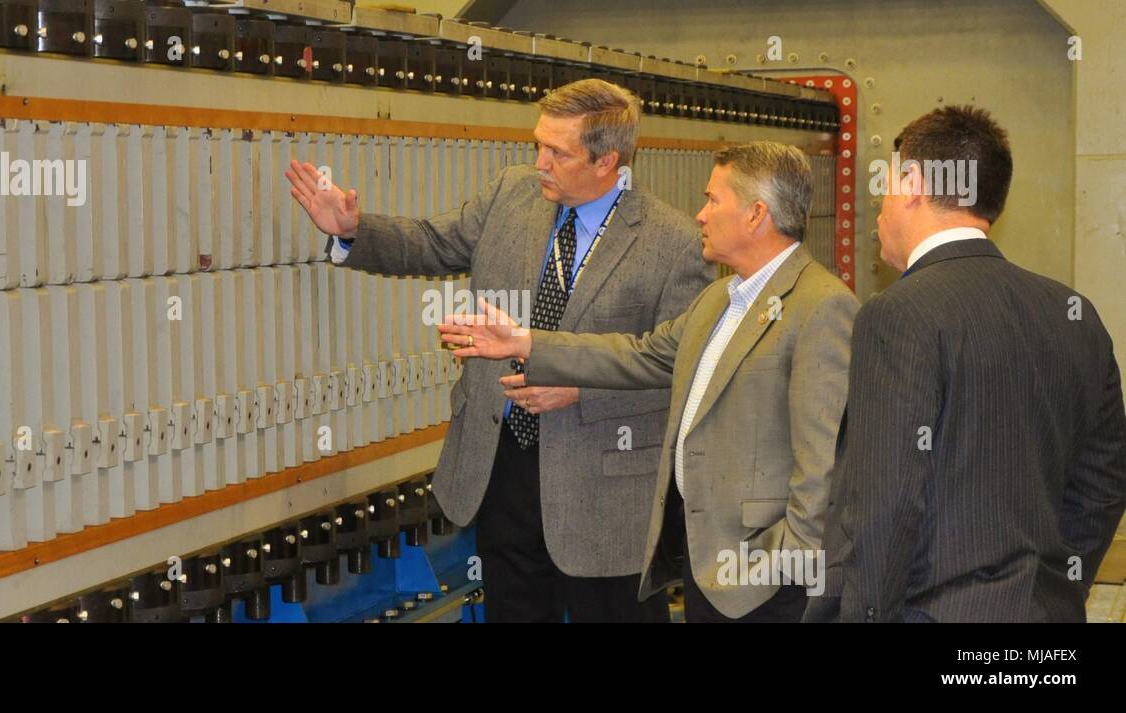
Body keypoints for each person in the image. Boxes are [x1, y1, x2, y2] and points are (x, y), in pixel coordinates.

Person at [285, 79, 713, 622]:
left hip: (604, 488)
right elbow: (434, 243)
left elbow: (679, 362)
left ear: (607, 161)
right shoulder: (512, 194)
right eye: (538, 144)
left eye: (557, 152)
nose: (539, 162)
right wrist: (353, 230)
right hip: (503, 463)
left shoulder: (672, 243)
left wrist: (580, 389)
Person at [441, 141, 857, 622]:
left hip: (766, 579)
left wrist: (787, 565)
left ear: (755, 214)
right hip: (709, 567)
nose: (699, 215)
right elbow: (641, 355)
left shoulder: (821, 306)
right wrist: (527, 344)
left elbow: (823, 461)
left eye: (713, 200)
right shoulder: (721, 298)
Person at [804, 105, 1126, 622]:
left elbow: (884, 505)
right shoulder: (1074, 314)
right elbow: (1103, 485)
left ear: (910, 183)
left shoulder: (897, 315)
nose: (880, 210)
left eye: (886, 186)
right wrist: (1048, 588)